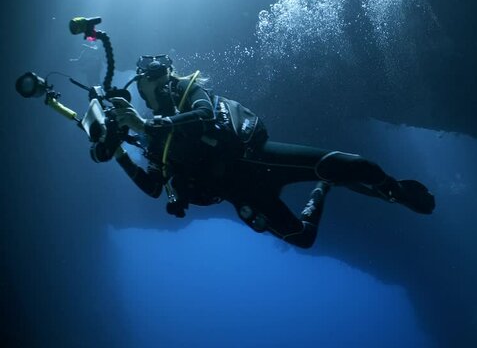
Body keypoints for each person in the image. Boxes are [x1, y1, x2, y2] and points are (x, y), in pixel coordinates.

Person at [110, 54, 435, 248]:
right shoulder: (153, 136)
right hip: (242, 194)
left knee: (356, 165)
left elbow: (205, 115)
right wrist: (120, 154)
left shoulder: (186, 90)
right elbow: (154, 187)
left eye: (143, 88)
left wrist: (146, 124)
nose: (141, 95)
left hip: (257, 157)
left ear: (164, 80)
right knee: (302, 238)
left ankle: (394, 190)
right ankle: (321, 190)